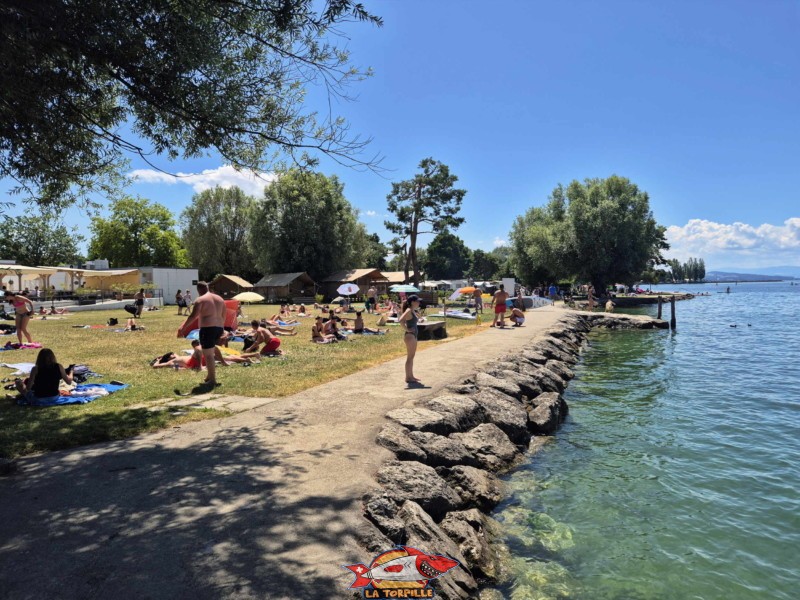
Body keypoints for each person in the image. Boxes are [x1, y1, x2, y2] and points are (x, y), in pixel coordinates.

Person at [182, 281, 226, 387]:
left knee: (209, 355)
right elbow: (224, 315)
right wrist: (222, 329)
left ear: (198, 290)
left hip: (207, 329)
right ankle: (209, 376)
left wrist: (182, 328)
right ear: (208, 287)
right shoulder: (220, 299)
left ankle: (213, 380)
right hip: (218, 328)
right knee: (210, 351)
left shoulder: (200, 300)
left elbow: (193, 316)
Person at [398, 295, 421, 384]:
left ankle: (411, 376)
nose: (419, 303)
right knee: (409, 357)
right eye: (417, 301)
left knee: (412, 357)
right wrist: (407, 329)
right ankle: (408, 377)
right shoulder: (408, 310)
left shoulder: (412, 310)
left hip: (413, 336)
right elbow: (400, 320)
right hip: (410, 336)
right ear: (412, 302)